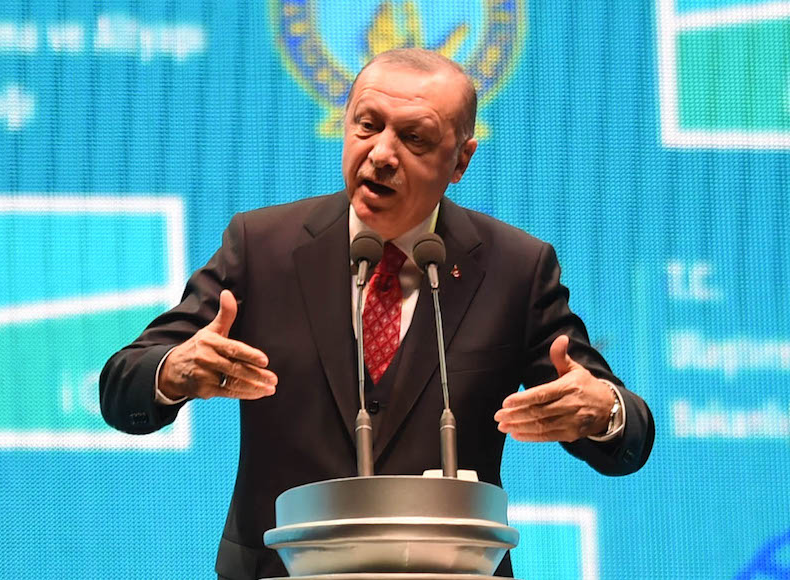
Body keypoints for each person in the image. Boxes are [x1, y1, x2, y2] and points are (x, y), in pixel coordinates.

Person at [100, 48, 655, 579]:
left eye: (414, 137)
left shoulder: (516, 267)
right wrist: (170, 371)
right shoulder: (263, 246)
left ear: (461, 159)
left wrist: (603, 410)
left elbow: (626, 430)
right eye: (368, 125)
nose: (383, 153)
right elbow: (123, 384)